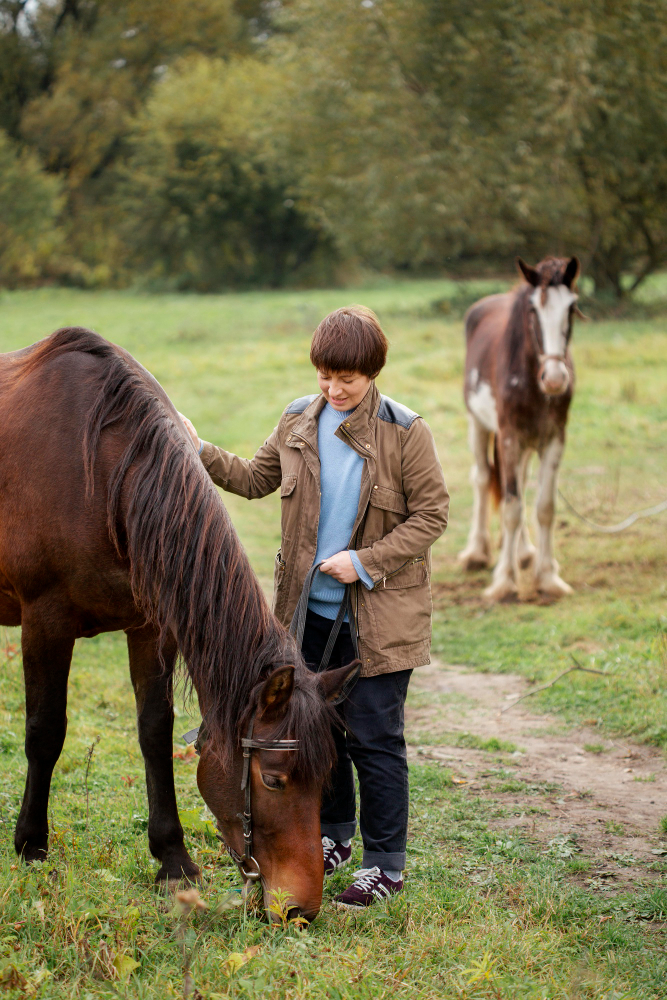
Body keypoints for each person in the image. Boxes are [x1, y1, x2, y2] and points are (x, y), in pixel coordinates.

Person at [181, 305, 449, 909]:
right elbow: (253, 478)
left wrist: (363, 562)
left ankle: (386, 865)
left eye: (347, 379)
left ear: (373, 371)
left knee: (375, 740)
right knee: (314, 735)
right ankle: (332, 837)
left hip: (379, 618)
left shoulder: (406, 433)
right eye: (326, 375)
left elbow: (432, 515)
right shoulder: (300, 419)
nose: (334, 389)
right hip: (307, 615)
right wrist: (195, 447)